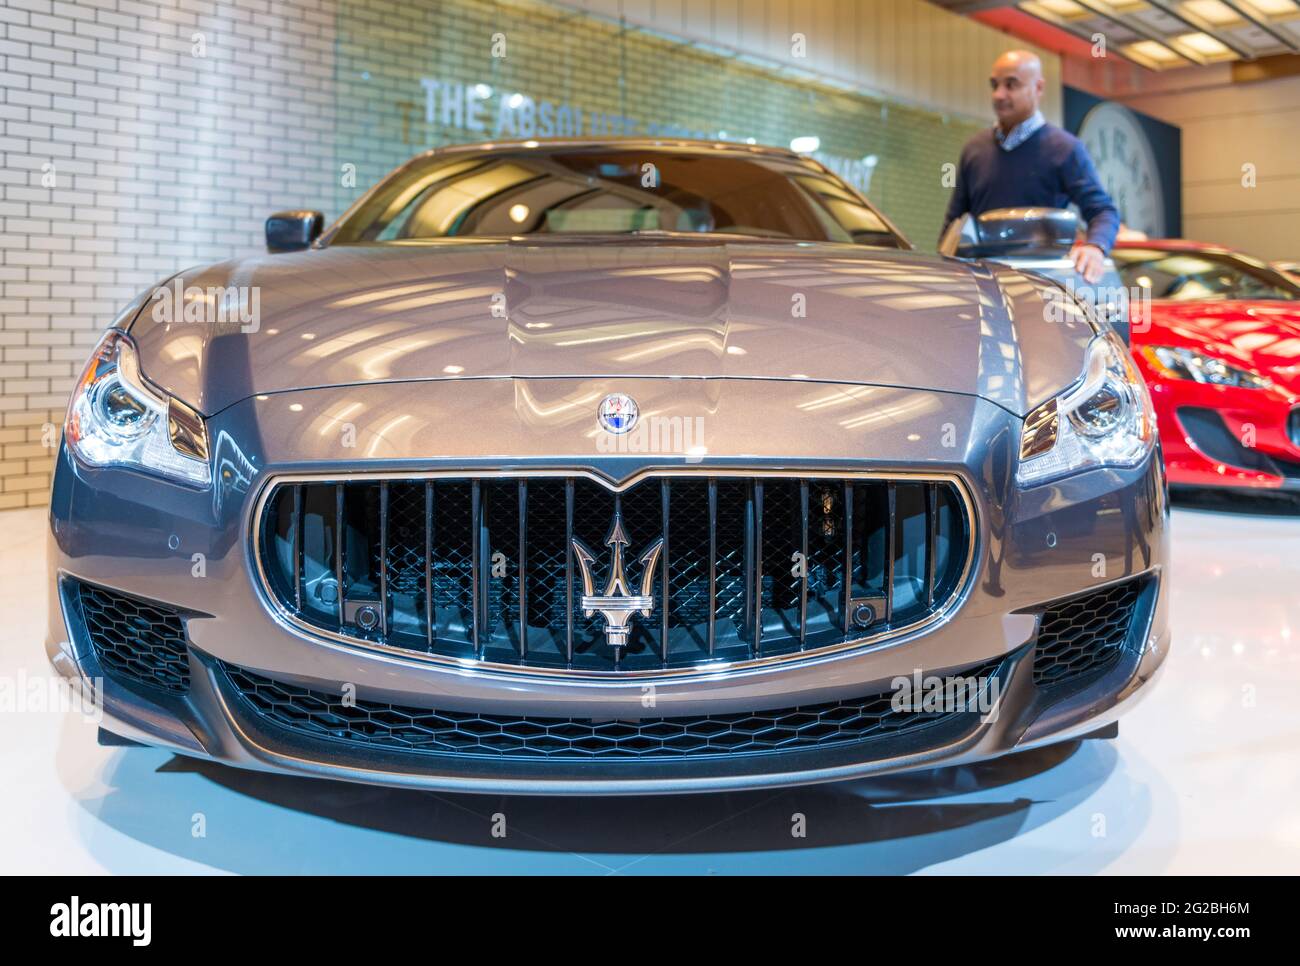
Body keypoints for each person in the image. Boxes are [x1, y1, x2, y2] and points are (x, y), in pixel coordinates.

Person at [941, 50, 1119, 284]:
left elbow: (1102, 210)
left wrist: (1095, 247)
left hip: (1042, 284)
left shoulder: (1065, 149)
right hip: (981, 283)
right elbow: (955, 221)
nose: (999, 94)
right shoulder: (974, 149)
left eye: (1011, 85)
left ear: (1039, 88)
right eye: (994, 85)